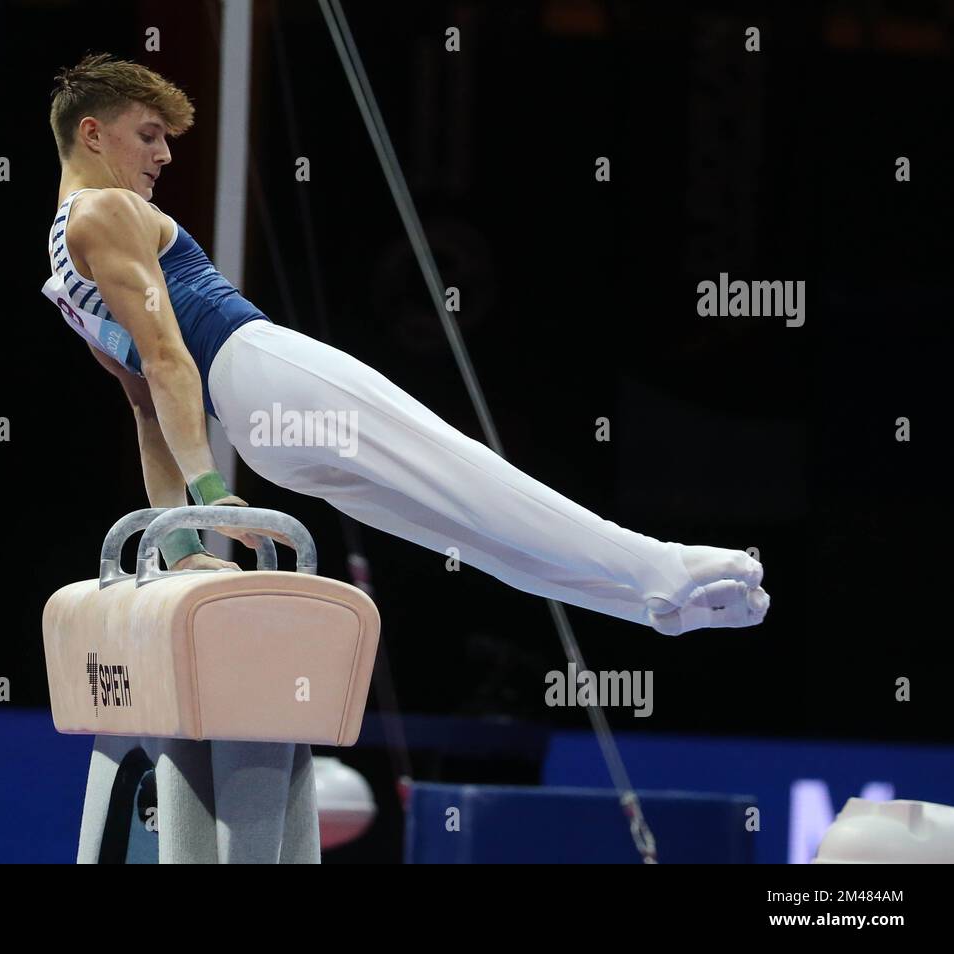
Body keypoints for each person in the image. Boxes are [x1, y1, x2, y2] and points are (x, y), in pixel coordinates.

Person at [41, 52, 769, 637]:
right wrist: (206, 501)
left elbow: (145, 409)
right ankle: (664, 568)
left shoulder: (60, 274)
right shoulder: (109, 208)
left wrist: (179, 548)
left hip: (262, 434)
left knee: (462, 530)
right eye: (148, 134)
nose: (165, 154)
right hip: (265, 374)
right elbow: (165, 362)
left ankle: (651, 603)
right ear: (92, 134)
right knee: (470, 481)